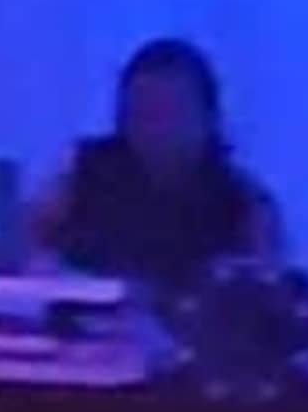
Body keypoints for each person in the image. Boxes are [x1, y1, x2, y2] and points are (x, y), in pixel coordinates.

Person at [41, 35, 282, 289]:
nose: (154, 129)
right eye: (141, 112)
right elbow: (24, 245)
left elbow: (266, 297)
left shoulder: (243, 202)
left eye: (170, 113)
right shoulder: (81, 173)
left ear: (209, 118)